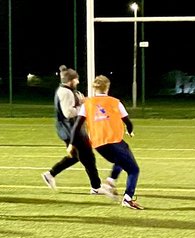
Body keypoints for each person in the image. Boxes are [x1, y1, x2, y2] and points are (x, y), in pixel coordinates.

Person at [41, 66, 113, 197]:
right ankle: (96, 187)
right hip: (71, 130)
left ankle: (50, 174)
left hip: (71, 129)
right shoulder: (65, 92)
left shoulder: (68, 91)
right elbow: (68, 113)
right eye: (76, 79)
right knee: (88, 158)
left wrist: (81, 102)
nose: (78, 82)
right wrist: (83, 106)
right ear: (71, 80)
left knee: (76, 157)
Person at [83, 75, 144, 210]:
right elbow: (127, 121)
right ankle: (127, 198)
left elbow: (78, 123)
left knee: (121, 160)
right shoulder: (115, 102)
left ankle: (110, 182)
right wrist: (130, 131)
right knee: (134, 169)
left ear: (94, 88)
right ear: (107, 88)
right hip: (114, 140)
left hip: (98, 144)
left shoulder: (87, 103)